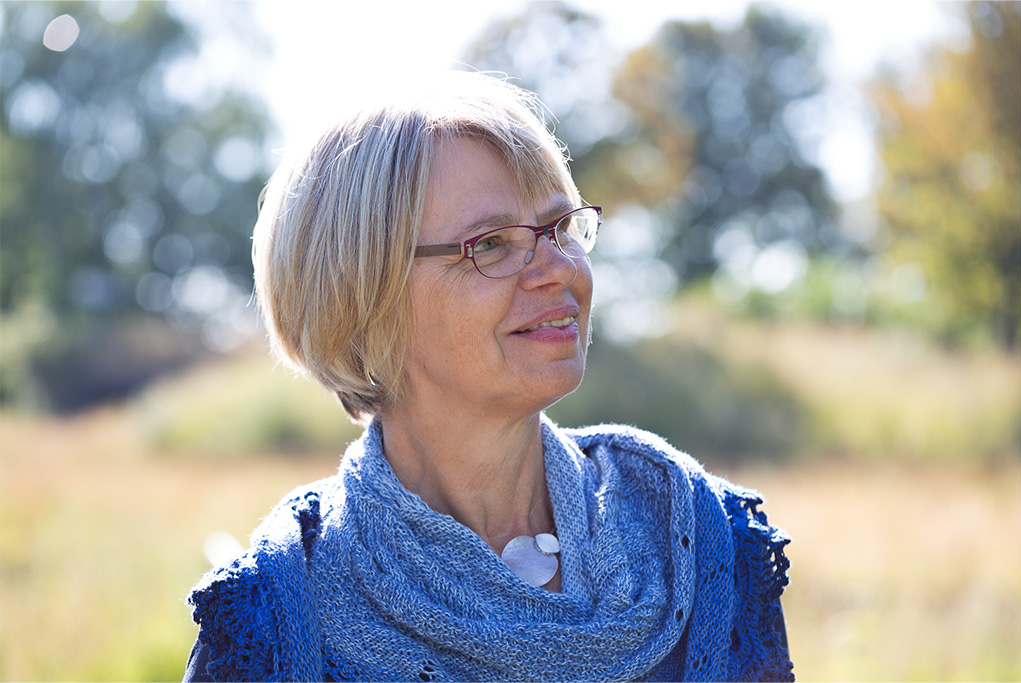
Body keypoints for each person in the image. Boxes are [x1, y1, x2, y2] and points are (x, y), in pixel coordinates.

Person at [184, 72, 793, 682]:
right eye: (493, 244)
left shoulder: (705, 543)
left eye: (561, 228)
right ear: (363, 296)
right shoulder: (271, 621)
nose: (557, 268)